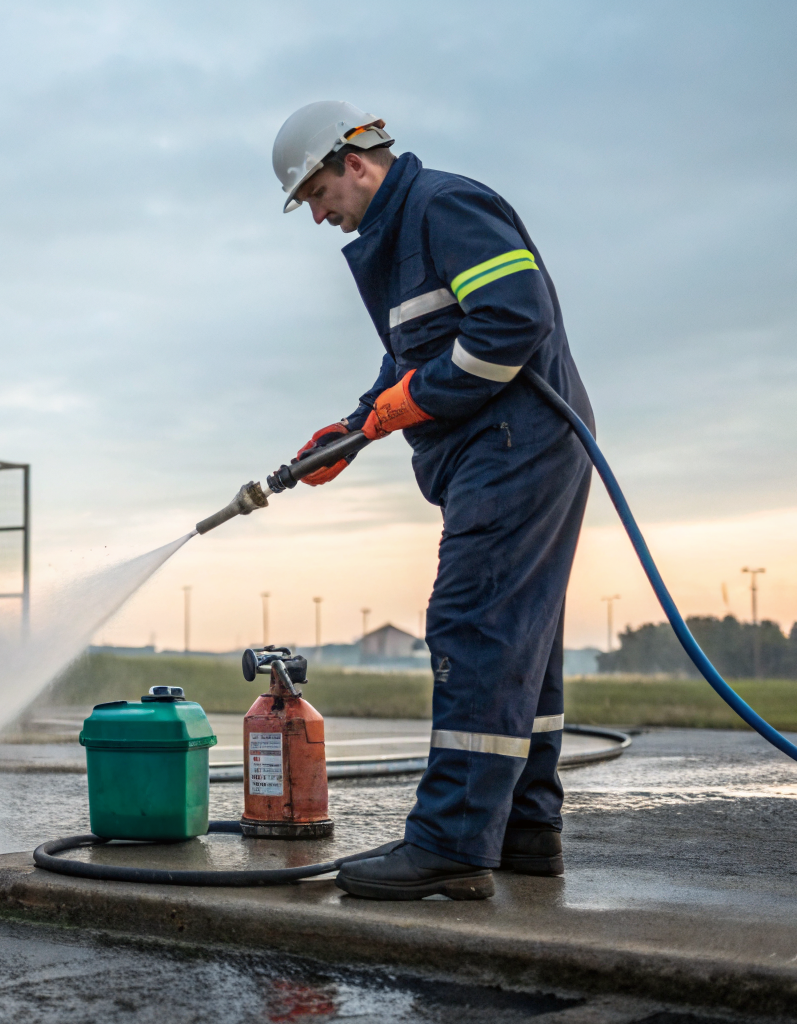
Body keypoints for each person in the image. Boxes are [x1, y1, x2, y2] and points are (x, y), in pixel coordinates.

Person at [272, 101, 593, 900]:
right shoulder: (401, 238)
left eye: (316, 194)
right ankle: (525, 831)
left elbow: (512, 322)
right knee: (524, 644)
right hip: (507, 448)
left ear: (355, 161)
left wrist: (403, 404)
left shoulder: (442, 207)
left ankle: (451, 842)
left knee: (473, 624)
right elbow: (413, 357)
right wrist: (355, 429)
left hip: (517, 442)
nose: (318, 216)